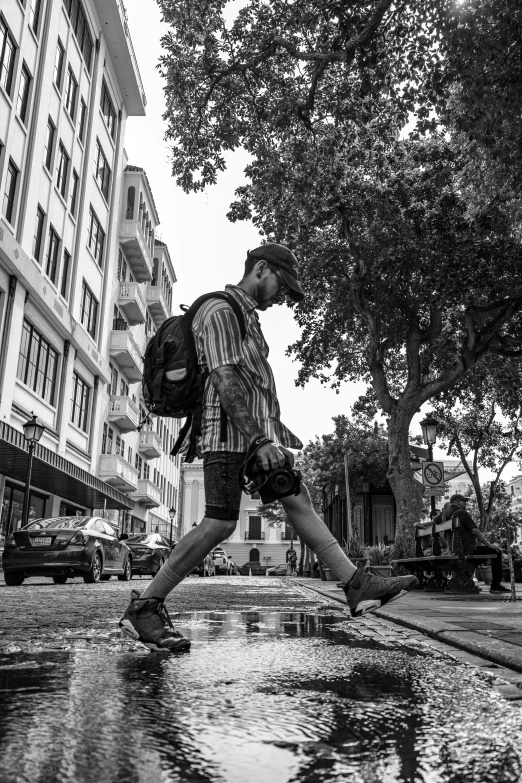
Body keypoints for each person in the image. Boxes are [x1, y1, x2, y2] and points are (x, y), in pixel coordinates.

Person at [119, 243, 418, 651]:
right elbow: (224, 379)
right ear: (261, 269)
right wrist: (259, 440)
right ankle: (145, 607)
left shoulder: (248, 320)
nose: (283, 297)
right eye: (282, 285)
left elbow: (252, 384)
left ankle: (356, 584)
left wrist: (272, 435)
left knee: (299, 499)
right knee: (220, 523)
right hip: (227, 435)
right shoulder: (221, 311)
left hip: (254, 437)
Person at [445, 493, 508, 593]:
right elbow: (475, 531)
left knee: (489, 550)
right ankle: (496, 585)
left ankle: (466, 581)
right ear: (457, 501)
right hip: (467, 550)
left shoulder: (447, 515)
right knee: (497, 551)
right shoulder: (462, 513)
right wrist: (488, 544)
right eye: (463, 501)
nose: (465, 503)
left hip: (455, 550)